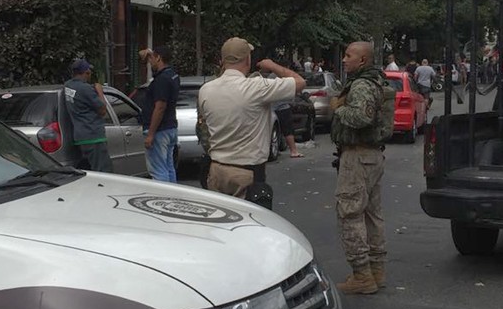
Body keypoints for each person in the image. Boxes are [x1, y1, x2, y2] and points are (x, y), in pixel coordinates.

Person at [197, 38, 306, 198]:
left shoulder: (206, 90)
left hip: (216, 170)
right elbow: (300, 82)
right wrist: (272, 66)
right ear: (247, 59)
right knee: (248, 220)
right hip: (247, 171)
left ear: (223, 60)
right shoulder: (256, 87)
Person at [330, 41, 395, 295]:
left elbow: (362, 117)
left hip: (357, 157)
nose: (344, 60)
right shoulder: (375, 82)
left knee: (350, 212)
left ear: (362, 61)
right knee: (371, 214)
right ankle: (377, 270)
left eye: (348, 56)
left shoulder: (361, 85)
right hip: (373, 156)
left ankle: (362, 275)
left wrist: (339, 109)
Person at [64, 59, 113, 173]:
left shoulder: (67, 86)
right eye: (89, 71)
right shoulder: (85, 89)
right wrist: (100, 91)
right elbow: (102, 111)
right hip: (94, 136)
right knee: (103, 171)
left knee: (88, 172)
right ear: (86, 72)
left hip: (80, 137)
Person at [142, 47, 180, 182]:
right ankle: (173, 196)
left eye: (151, 58)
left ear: (158, 58)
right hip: (170, 127)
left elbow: (160, 107)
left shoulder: (161, 80)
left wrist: (151, 134)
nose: (149, 62)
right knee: (168, 167)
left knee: (158, 170)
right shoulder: (172, 75)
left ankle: (163, 198)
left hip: (160, 131)